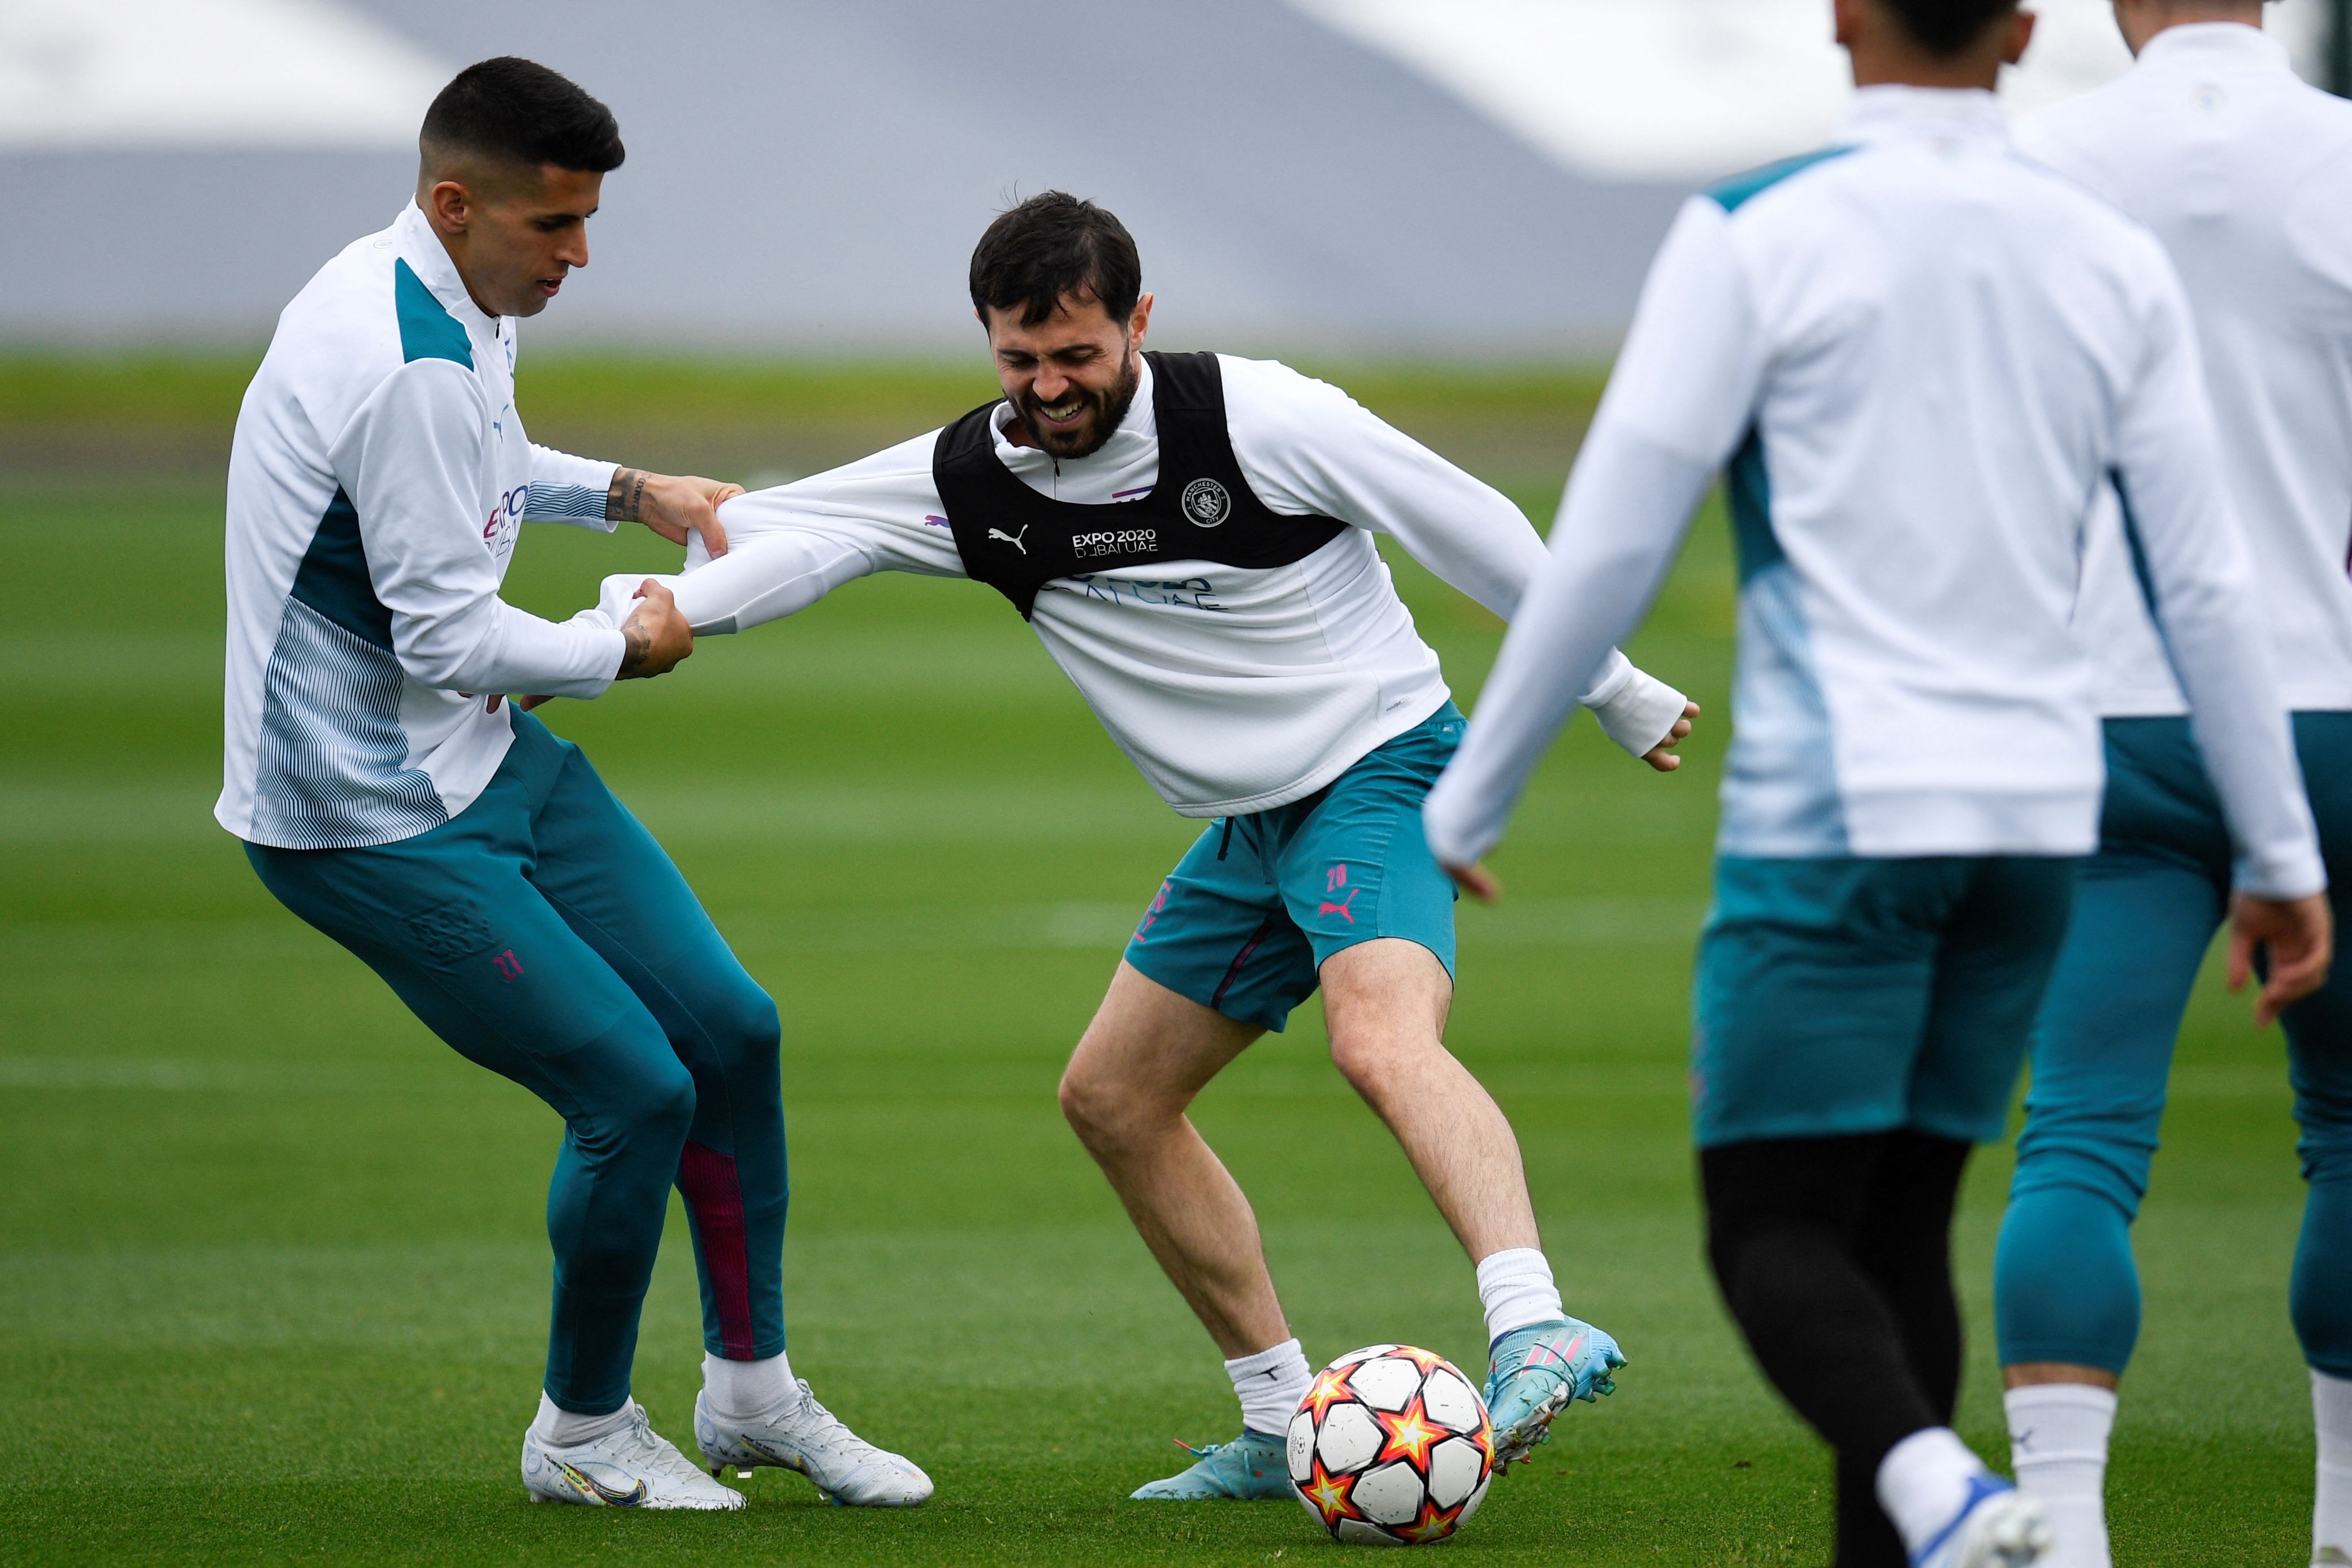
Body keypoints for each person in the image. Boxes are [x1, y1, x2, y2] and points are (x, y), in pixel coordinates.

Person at [579, 192, 1697, 1501]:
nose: (1048, 388)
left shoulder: (1260, 418)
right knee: (1111, 1098)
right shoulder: (972, 476)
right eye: (1019, 359)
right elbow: (798, 539)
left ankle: (1530, 1321)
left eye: (1076, 355)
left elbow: (1464, 519)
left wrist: (1608, 683)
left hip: (1376, 770)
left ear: (1139, 322)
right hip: (1248, 826)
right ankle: (1279, 1422)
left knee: (1378, 1038)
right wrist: (643, 620)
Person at [1418, 1, 2332, 1563]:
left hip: (1838, 811)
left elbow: (1619, 534)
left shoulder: (1755, 231)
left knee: (1770, 1227)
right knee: (1904, 1225)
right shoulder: (2100, 248)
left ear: (1841, 16)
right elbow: (2204, 582)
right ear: (2025, 29)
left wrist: (1472, 793)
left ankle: (1943, 1487)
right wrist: (2278, 845)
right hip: (2032, 823)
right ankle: (1931, 1506)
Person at [220, 56, 927, 1510]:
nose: (580, 253)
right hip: (367, 817)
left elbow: (474, 463)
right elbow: (447, 633)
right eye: (556, 223)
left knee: (731, 1032)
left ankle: (751, 1397)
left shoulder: (438, 297)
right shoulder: (403, 358)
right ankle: (583, 1435)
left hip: (476, 753)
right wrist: (626, 642)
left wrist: (628, 490)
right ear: (455, 203)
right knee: (631, 1090)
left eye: (588, 218)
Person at [1983, 5, 2352, 1564]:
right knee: (2347, 1129)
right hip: (2332, 702)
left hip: (2110, 715)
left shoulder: (2037, 164)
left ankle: (2065, 1531)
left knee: (2077, 1136)